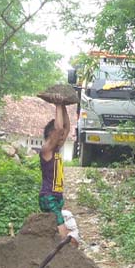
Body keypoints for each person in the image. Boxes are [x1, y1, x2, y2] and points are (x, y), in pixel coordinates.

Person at [39, 104, 79, 247]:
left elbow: (66, 128)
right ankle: (64, 250)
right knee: (60, 223)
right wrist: (57, 105)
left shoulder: (56, 150)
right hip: (48, 195)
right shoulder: (46, 150)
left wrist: (63, 105)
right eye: (58, 135)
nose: (62, 137)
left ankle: (59, 246)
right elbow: (60, 129)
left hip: (57, 196)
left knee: (59, 224)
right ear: (51, 134)